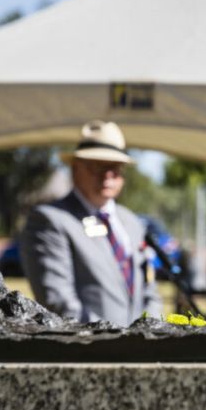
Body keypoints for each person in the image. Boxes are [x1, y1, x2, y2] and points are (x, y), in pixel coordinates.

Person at [21, 120, 162, 327]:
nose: (108, 175)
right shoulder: (49, 220)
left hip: (141, 350)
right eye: (97, 165)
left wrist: (149, 334)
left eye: (115, 167)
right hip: (83, 352)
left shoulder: (131, 221)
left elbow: (150, 292)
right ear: (75, 169)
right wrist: (115, 339)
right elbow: (57, 301)